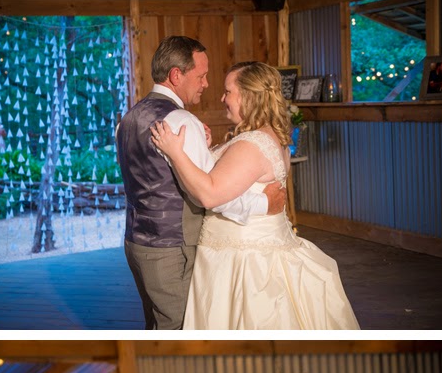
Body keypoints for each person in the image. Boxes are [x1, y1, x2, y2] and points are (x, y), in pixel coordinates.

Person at [150, 61, 360, 329]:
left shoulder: (251, 144)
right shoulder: (266, 136)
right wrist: (207, 148)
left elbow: (210, 195)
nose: (222, 98)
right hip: (254, 250)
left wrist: (176, 152)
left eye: (228, 92)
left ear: (249, 96)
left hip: (245, 264)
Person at [115, 36, 285, 330]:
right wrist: (265, 203)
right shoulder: (182, 122)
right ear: (176, 75)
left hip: (135, 242)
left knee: (154, 324)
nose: (206, 84)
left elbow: (152, 177)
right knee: (179, 329)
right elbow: (213, 193)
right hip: (173, 246)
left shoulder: (128, 118)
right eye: (202, 76)